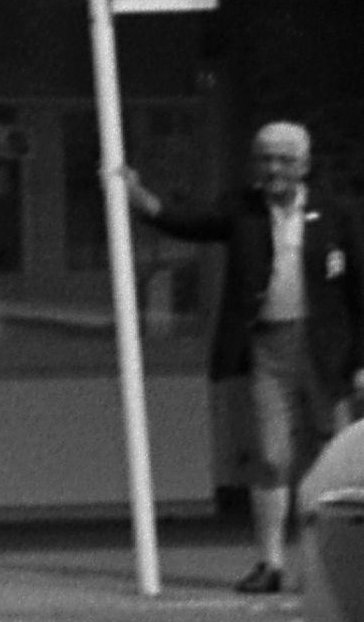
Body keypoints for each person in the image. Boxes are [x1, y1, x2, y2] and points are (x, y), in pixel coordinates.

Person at [132, 121, 356, 596]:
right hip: (268, 348)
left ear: (304, 166)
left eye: (283, 160)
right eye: (265, 159)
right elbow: (189, 223)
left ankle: (331, 568)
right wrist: (139, 198)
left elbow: (360, 291)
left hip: (325, 351)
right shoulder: (243, 209)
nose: (273, 169)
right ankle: (270, 562)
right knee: (271, 456)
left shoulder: (337, 215)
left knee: (332, 462)